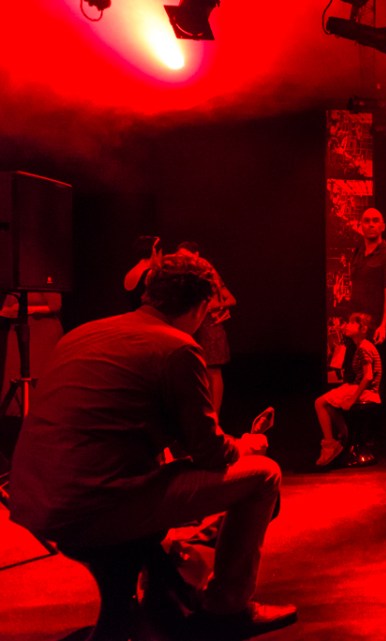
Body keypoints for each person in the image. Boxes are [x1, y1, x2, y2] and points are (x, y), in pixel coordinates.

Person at [8, 253, 297, 635]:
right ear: (202, 305)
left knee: (161, 473)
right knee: (264, 475)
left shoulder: (83, 333)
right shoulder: (178, 348)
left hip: (37, 503)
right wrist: (246, 446)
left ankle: (165, 590)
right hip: (96, 508)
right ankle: (227, 609)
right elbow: (210, 452)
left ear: (149, 293)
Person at [176, 242, 236, 415]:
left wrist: (213, 307)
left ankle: (214, 414)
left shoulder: (207, 272)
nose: (183, 260)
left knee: (213, 369)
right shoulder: (186, 274)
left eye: (186, 256)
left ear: (196, 255)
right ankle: (203, 411)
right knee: (197, 370)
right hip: (193, 326)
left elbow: (230, 299)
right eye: (180, 256)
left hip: (209, 326)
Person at [314, 312, 382, 467]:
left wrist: (352, 399)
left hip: (366, 392)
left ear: (363, 328)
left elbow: (368, 377)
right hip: (360, 388)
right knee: (328, 404)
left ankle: (330, 445)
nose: (347, 325)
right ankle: (345, 436)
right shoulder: (360, 347)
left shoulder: (364, 348)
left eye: (352, 323)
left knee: (319, 403)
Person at [0, 291, 63, 415]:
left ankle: (39, 412)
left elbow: (55, 305)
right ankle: (16, 414)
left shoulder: (43, 281)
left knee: (39, 374)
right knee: (14, 372)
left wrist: (24, 309)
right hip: (16, 331)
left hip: (41, 333)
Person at [349, 208, 386, 346]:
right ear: (361, 226)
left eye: (375, 221)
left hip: (376, 328)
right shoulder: (358, 252)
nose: (371, 224)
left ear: (383, 226)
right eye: (367, 221)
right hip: (357, 326)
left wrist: (384, 326)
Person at [123, 235, 161, 310]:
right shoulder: (150, 273)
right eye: (161, 253)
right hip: (146, 316)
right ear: (154, 252)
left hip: (133, 315)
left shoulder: (130, 272)